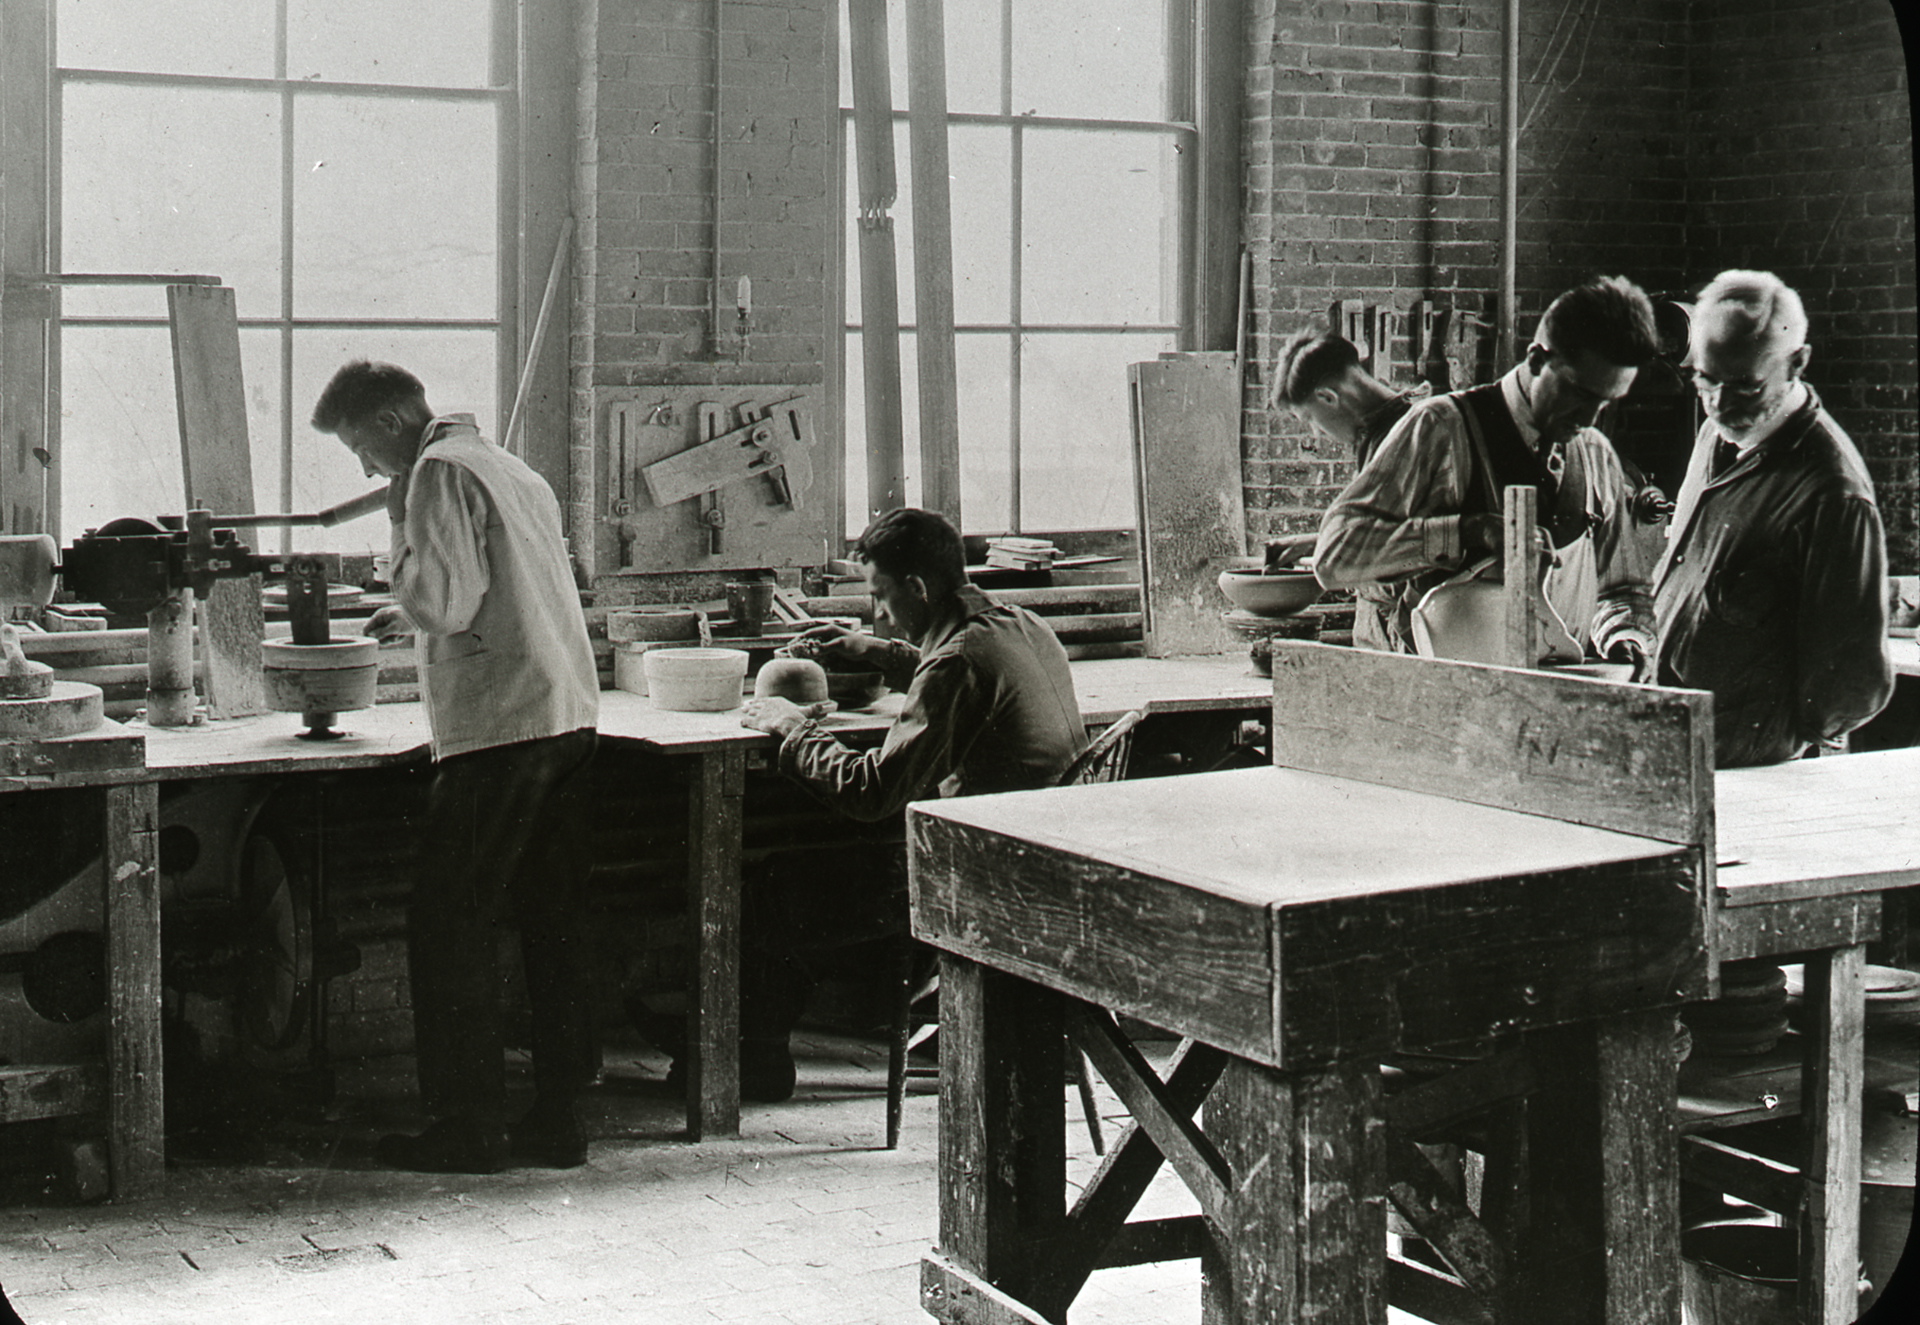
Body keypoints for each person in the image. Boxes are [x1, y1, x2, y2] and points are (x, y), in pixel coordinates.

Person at [312, 361, 600, 1173]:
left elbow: (445, 606)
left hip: (505, 729)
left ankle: (470, 1127)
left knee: (448, 922)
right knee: (554, 920)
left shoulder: (434, 473)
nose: (366, 468)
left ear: (399, 415)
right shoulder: (506, 464)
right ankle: (559, 1119)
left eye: (362, 445)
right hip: (565, 718)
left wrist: (400, 537)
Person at [729, 507, 1086, 1097]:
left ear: (918, 588)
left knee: (777, 881)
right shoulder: (1023, 624)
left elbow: (872, 791)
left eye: (882, 597)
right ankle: (754, 1040)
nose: (880, 613)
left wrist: (793, 729)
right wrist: (873, 650)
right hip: (1046, 868)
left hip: (984, 887)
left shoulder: (954, 664)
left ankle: (754, 1058)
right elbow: (949, 668)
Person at [1312, 276, 1661, 664]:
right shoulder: (1441, 428)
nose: (1589, 418)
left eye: (1606, 402)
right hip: (1452, 701)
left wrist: (1623, 635)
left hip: (1559, 701)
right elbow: (1335, 556)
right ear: (1537, 360)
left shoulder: (1595, 454)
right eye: (1579, 393)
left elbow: (1623, 590)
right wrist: (1464, 531)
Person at [1653, 270, 1892, 767]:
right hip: (1670, 748)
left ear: (1798, 362)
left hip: (1748, 772)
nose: (1719, 405)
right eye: (1706, 380)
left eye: (1745, 385)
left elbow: (1852, 682)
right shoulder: (1716, 437)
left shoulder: (1832, 494)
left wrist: (1776, 744)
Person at [1261, 329, 1431, 570]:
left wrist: (1331, 551)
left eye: (1310, 419)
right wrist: (1314, 543)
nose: (1316, 433)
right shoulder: (1381, 430)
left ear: (1327, 397)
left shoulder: (1410, 432)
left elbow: (1418, 548)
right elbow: (1390, 533)